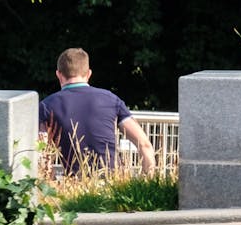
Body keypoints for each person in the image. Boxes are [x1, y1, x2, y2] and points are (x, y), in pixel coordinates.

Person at [38, 47, 155, 177]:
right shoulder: (111, 99)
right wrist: (147, 183)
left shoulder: (46, 106)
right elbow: (144, 145)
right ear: (88, 74)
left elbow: (41, 154)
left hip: (75, 186)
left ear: (58, 74)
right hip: (114, 184)